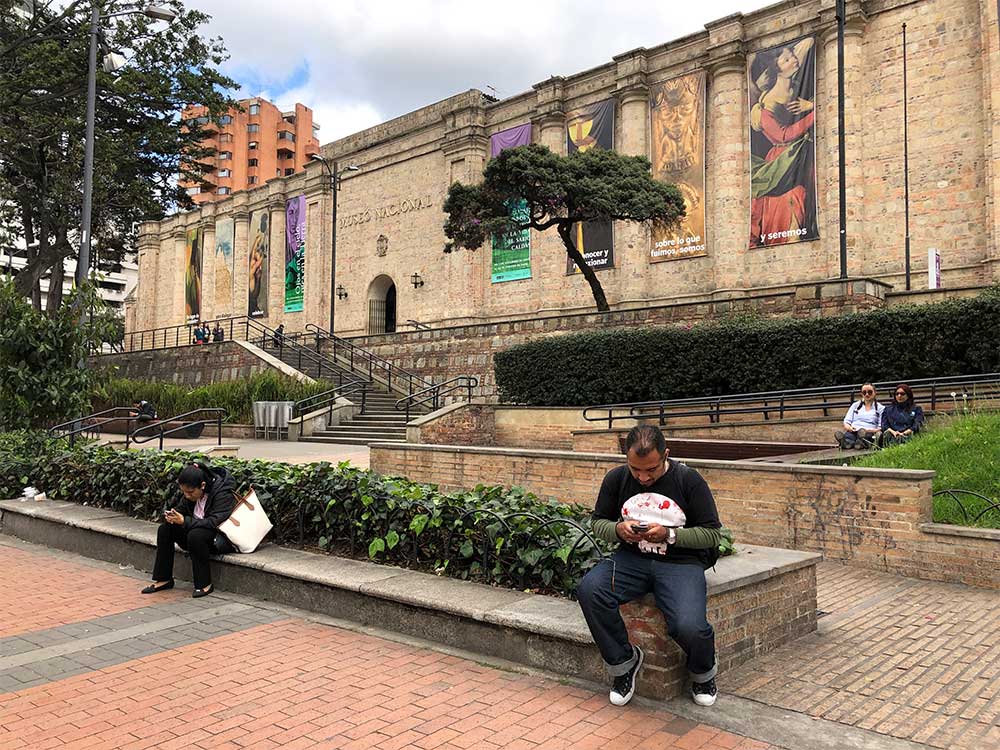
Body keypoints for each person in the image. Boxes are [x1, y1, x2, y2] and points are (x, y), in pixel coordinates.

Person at [577, 424, 726, 708]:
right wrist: (619, 529)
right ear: (626, 459)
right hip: (631, 559)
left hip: (680, 564)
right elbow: (598, 522)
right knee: (590, 590)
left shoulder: (689, 480)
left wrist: (670, 534)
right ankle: (623, 663)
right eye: (636, 470)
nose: (643, 477)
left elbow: (711, 534)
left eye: (651, 470)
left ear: (666, 455)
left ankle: (703, 672)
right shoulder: (616, 479)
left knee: (689, 625)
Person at [748, 37, 817, 248]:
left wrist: (810, 105)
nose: (794, 61)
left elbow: (807, 44)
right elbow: (783, 135)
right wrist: (814, 112)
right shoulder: (767, 103)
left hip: (801, 157)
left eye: (792, 56)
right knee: (790, 201)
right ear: (776, 70)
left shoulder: (796, 86)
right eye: (786, 59)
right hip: (782, 164)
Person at [142, 462, 237, 598]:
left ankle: (204, 584)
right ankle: (164, 579)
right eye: (184, 492)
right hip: (196, 533)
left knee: (195, 535)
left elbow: (214, 522)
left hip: (219, 538)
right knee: (165, 530)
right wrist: (172, 516)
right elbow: (181, 509)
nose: (187, 495)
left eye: (190, 492)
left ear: (202, 486)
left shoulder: (222, 493)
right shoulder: (191, 493)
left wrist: (184, 521)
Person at [835, 383, 884, 449]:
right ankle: (848, 443)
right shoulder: (855, 405)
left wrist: (869, 430)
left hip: (869, 432)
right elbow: (847, 421)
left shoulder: (880, 408)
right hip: (854, 430)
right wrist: (849, 428)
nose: (867, 394)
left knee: (865, 436)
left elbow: (881, 427)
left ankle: (859, 442)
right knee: (849, 436)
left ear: (875, 393)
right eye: (864, 392)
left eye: (869, 392)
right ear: (861, 394)